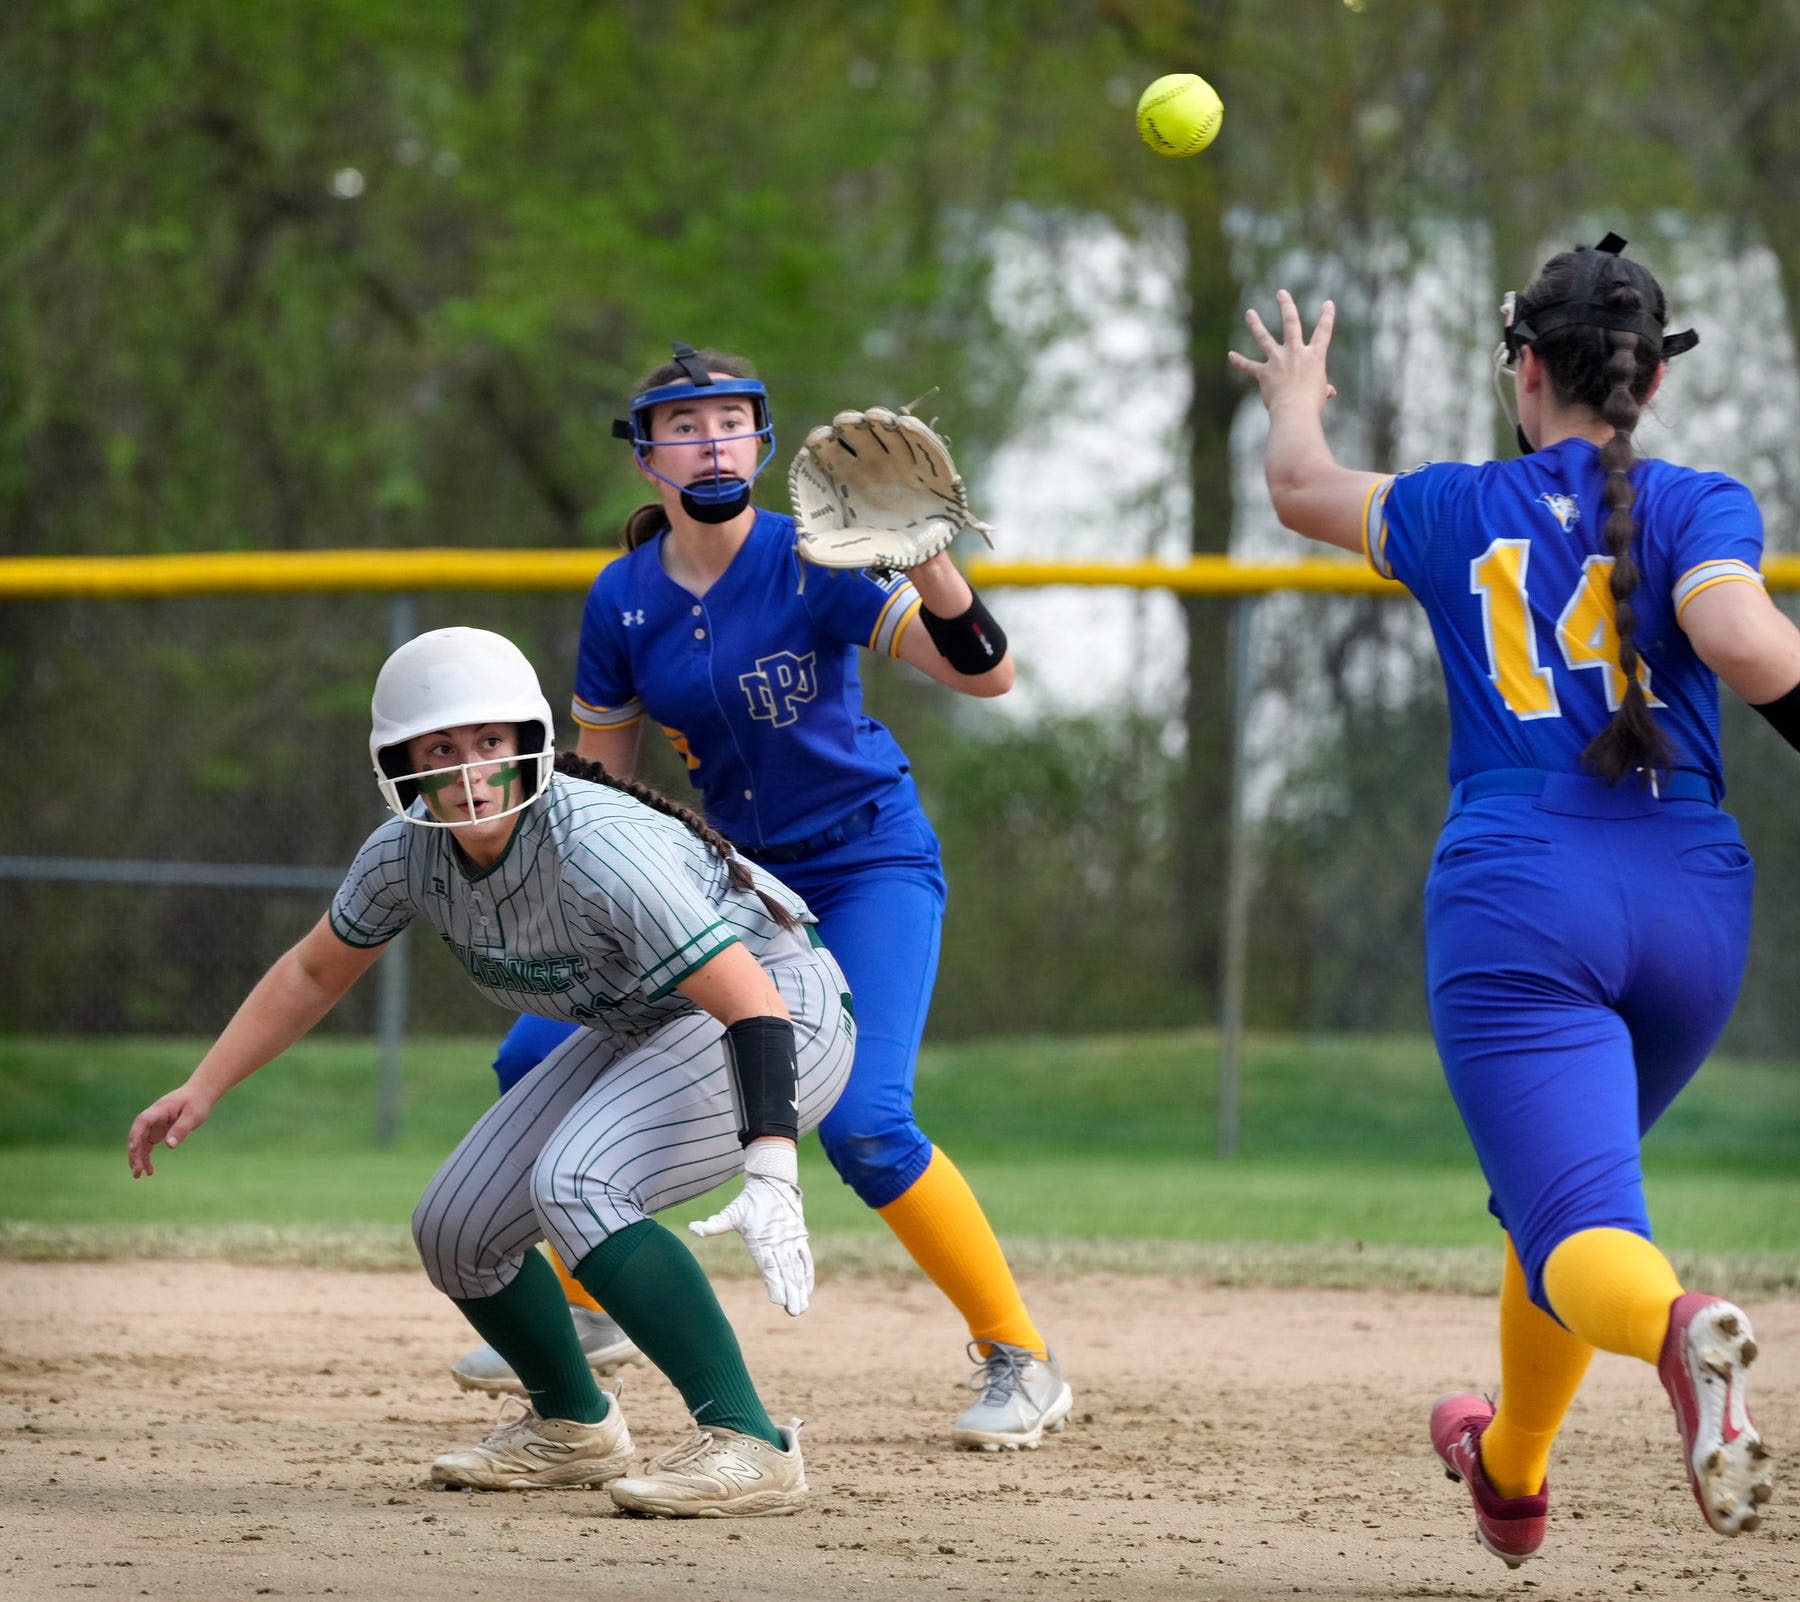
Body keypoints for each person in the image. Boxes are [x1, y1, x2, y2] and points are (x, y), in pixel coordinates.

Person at [1228, 236, 1793, 1565]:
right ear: (1650, 379)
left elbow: (1300, 486)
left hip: (1525, 892)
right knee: (1555, 1202)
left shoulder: (1451, 503)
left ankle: (1679, 1330)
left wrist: (1295, 388)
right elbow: (1738, 638)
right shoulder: (1699, 498)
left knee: (1591, 1229)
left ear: (1525, 369)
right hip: (1693, 896)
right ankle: (1511, 1473)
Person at [451, 342, 1073, 1452]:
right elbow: (600, 781)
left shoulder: (813, 560)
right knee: (532, 1052)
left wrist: (932, 559)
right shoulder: (624, 599)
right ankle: (589, 1316)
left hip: (865, 860)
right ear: (648, 458)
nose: (713, 440)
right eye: (686, 425)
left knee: (867, 1122)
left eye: (733, 420)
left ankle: (1021, 1356)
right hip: (725, 884)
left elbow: (984, 670)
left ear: (764, 441)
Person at [128, 626, 857, 1517]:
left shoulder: (596, 844)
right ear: (400, 763)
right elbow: (316, 969)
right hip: (652, 1021)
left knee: (579, 1181)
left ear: (529, 746)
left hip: (782, 1015)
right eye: (442, 747)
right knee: (457, 1227)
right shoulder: (406, 852)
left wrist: (773, 1163)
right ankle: (573, 1425)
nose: (471, 769)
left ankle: (751, 1443)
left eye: (489, 742)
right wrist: (204, 1084)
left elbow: (751, 1002)